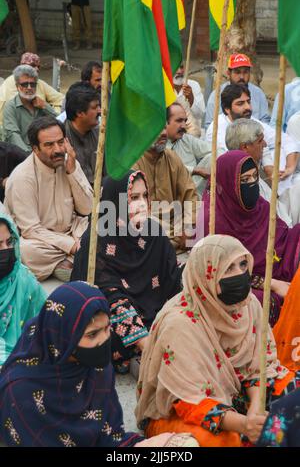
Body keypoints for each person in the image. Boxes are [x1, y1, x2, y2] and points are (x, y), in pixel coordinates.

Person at [135, 235, 300, 447]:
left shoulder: (247, 305)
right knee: (224, 440)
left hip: (236, 394)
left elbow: (258, 367)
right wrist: (243, 424)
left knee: (294, 392)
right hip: (180, 410)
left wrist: (255, 410)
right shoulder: (180, 325)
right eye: (228, 269)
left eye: (242, 264)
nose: (240, 274)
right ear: (206, 276)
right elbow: (185, 402)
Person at [0, 281, 197, 447]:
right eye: (92, 334)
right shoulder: (20, 391)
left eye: (107, 328)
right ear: (63, 337)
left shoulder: (95, 367)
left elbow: (109, 435)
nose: (104, 340)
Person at [71, 170, 183, 374]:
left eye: (144, 196)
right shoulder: (97, 240)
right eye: (133, 198)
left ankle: (139, 352)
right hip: (112, 316)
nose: (142, 204)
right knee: (104, 329)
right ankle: (144, 351)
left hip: (154, 311)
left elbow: (172, 279)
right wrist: (145, 343)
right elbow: (105, 293)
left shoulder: (153, 233)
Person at [200, 151, 300, 326]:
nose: (252, 184)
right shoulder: (212, 220)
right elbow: (218, 272)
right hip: (242, 281)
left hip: (278, 263)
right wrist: (273, 284)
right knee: (256, 303)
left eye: (254, 177)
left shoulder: (260, 206)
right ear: (228, 184)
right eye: (244, 180)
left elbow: (283, 236)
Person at [4, 116, 93, 282]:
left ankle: (65, 264)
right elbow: (31, 229)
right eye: (49, 145)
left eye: (61, 142)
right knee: (24, 250)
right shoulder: (22, 177)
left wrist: (72, 172)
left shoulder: (69, 162)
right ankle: (71, 261)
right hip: (40, 241)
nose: (58, 149)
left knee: (102, 227)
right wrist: (71, 245)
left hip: (73, 230)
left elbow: (87, 209)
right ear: (35, 149)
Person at [206, 84, 300, 195]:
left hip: (262, 177)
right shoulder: (217, 129)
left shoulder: (250, 120)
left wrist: (289, 168)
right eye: (240, 103)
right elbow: (235, 160)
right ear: (227, 109)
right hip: (237, 184)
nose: (248, 107)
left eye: (248, 102)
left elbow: (285, 140)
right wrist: (268, 166)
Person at [133, 129, 199, 252]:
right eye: (156, 128)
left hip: (177, 227)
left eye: (164, 128)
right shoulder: (131, 161)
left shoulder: (172, 157)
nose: (163, 133)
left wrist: (188, 226)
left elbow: (190, 194)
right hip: (147, 228)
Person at [225, 119, 292, 226]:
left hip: (282, 218)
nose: (265, 145)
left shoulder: (250, 167)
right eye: (260, 141)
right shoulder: (242, 175)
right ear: (245, 147)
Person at [0, 213, 46, 366]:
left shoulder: (24, 279)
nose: (6, 249)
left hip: (19, 360)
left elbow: (46, 322)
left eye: (9, 242)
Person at [204, 53, 270, 129]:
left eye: (245, 72)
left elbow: (265, 122)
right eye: (237, 72)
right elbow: (209, 125)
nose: (242, 76)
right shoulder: (216, 95)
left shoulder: (258, 93)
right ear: (228, 73)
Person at [3, 65, 57, 153]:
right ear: (17, 86)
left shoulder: (41, 104)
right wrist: (29, 155)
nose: (29, 88)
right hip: (21, 155)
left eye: (32, 84)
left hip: (44, 152)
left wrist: (45, 107)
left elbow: (58, 122)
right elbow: (13, 136)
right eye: (24, 84)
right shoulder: (11, 107)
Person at [0, 52, 64, 124]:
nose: (36, 69)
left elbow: (60, 98)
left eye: (38, 66)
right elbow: (24, 109)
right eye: (32, 65)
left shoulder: (39, 82)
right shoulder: (11, 82)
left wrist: (51, 108)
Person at [166, 102, 214, 197]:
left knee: (213, 157)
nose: (184, 126)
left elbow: (216, 150)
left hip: (192, 193)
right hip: (169, 196)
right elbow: (166, 168)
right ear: (165, 122)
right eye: (179, 121)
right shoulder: (156, 144)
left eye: (185, 121)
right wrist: (195, 170)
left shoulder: (186, 139)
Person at [64, 82, 101, 184]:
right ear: (79, 113)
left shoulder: (101, 135)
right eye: (94, 107)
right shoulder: (60, 138)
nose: (100, 111)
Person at [173, 62, 205, 134]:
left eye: (181, 67)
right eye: (175, 67)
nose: (179, 71)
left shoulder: (194, 85)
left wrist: (191, 99)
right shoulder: (163, 87)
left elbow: (200, 114)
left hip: (191, 136)